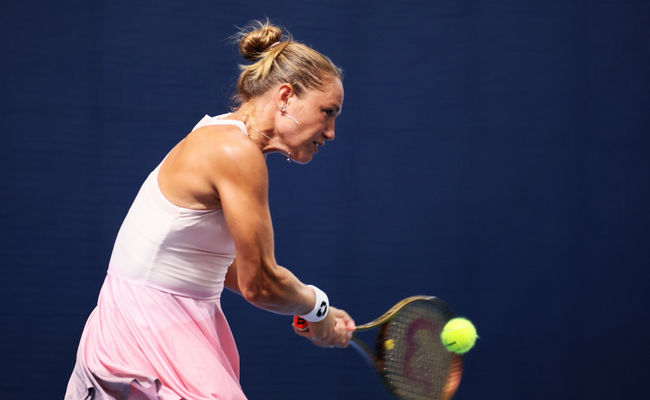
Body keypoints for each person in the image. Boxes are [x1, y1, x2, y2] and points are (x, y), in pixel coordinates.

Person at [65, 20, 355, 400]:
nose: (331, 132)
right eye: (327, 112)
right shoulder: (235, 152)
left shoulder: (222, 135)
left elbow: (219, 264)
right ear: (285, 97)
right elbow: (260, 284)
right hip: (145, 340)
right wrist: (318, 307)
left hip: (141, 329)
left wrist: (309, 308)